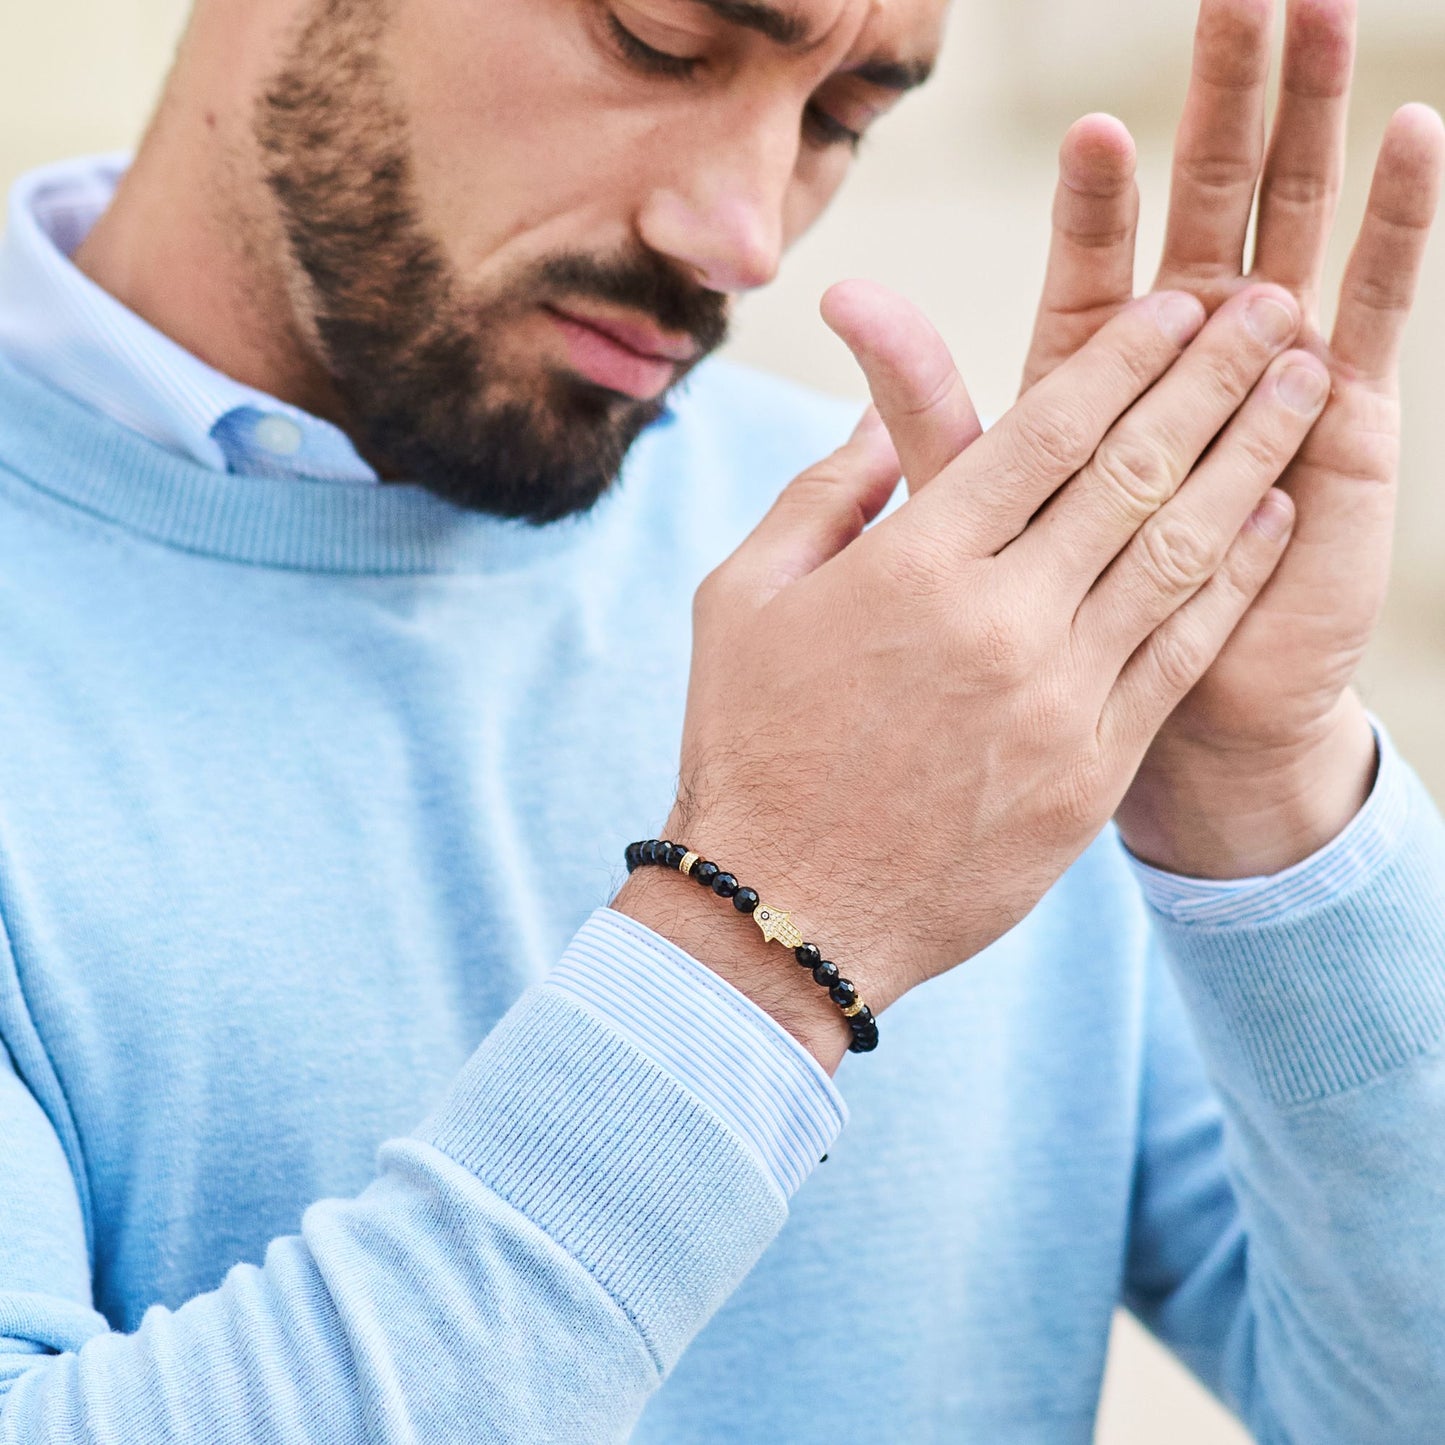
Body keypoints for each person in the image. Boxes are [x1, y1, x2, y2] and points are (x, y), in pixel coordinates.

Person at [0, 0, 1440, 1437]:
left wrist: (1265, 799)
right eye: (659, 42)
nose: (745, 237)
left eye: (841, 115)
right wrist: (768, 930)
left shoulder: (945, 615)